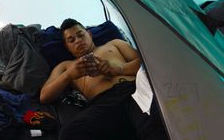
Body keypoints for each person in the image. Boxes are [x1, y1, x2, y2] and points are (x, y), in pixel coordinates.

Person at [40, 18, 168, 140]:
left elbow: (148, 64)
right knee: (70, 133)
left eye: (80, 35)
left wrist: (119, 68)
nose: (78, 41)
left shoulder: (114, 44)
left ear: (89, 34)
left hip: (133, 91)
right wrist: (68, 75)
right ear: (67, 46)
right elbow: (44, 96)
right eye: (71, 40)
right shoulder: (66, 66)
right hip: (103, 103)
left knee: (154, 126)